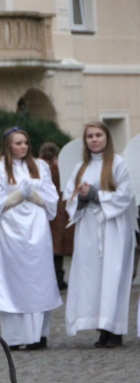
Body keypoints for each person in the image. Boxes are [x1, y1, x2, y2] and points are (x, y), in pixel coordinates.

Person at [0, 127, 62, 351]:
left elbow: (51, 196)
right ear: (9, 145)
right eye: (18, 143)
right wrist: (16, 196)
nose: (23, 147)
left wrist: (36, 197)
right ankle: (17, 336)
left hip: (37, 230)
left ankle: (39, 334)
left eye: (26, 143)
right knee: (15, 280)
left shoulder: (40, 166)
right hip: (12, 232)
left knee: (39, 279)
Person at [63, 121, 136, 348]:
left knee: (113, 277)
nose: (94, 140)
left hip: (113, 229)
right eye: (90, 136)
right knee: (92, 279)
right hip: (88, 230)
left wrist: (98, 196)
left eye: (98, 135)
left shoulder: (119, 163)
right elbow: (69, 198)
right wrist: (82, 198)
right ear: (85, 141)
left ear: (106, 138)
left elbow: (126, 195)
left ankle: (114, 330)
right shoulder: (80, 168)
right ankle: (101, 329)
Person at [39, 142, 74, 290]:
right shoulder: (61, 168)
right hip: (63, 211)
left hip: (49, 212)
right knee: (57, 250)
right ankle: (59, 278)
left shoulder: (40, 169)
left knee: (52, 250)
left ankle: (54, 279)